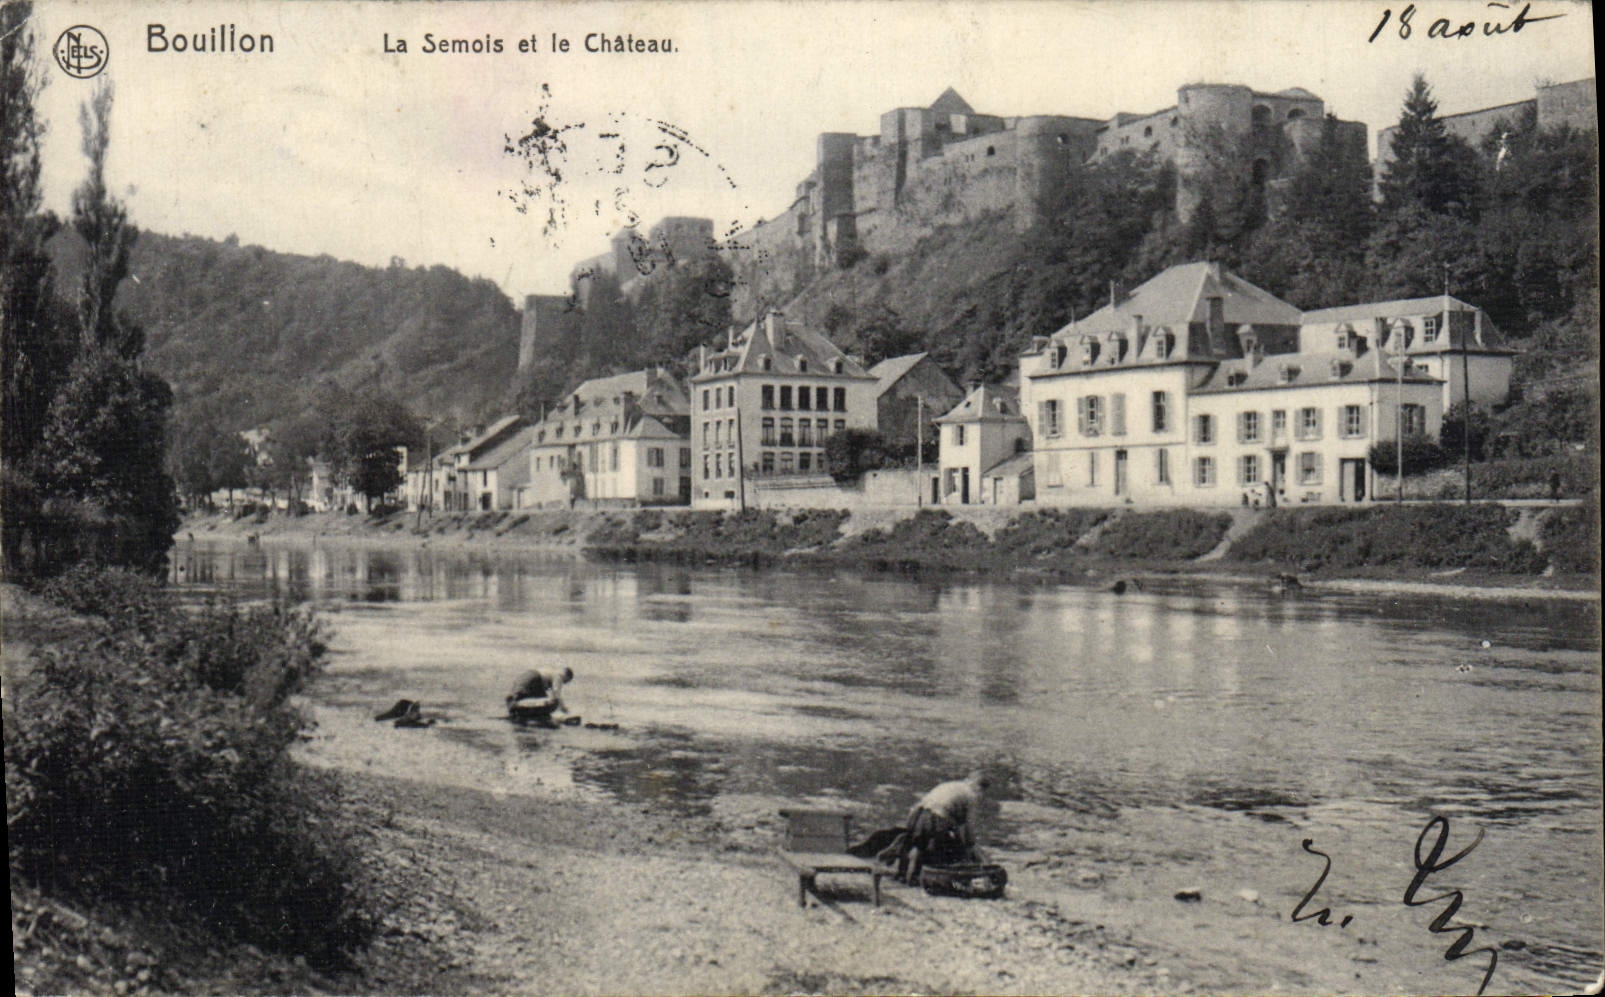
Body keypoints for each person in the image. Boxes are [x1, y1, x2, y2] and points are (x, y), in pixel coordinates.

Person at [897, 770, 990, 885]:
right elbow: (968, 826)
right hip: (938, 816)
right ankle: (933, 879)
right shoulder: (971, 795)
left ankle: (906, 878)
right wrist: (970, 845)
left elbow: (920, 805)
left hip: (919, 813)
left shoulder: (952, 785)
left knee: (917, 847)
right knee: (940, 849)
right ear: (979, 788)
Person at [506, 667, 575, 714]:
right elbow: (557, 694)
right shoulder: (559, 677)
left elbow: (551, 693)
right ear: (567, 676)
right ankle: (517, 708)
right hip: (535, 678)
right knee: (551, 703)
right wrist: (564, 709)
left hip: (527, 675)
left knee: (521, 696)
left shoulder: (552, 672)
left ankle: (514, 706)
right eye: (568, 680)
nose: (566, 683)